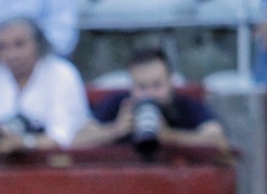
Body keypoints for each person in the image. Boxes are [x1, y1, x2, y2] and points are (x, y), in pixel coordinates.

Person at [0, 15, 89, 152]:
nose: (11, 54)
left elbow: (66, 136)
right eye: (2, 47)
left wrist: (24, 143)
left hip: (53, 165)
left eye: (19, 44)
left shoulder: (62, 73)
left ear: (38, 43)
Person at [72, 45, 230, 154]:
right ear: (131, 87)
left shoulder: (186, 106)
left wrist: (170, 136)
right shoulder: (118, 105)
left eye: (157, 85)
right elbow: (76, 141)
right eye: (141, 87)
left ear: (170, 81)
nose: (150, 94)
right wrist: (115, 130)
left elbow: (219, 141)